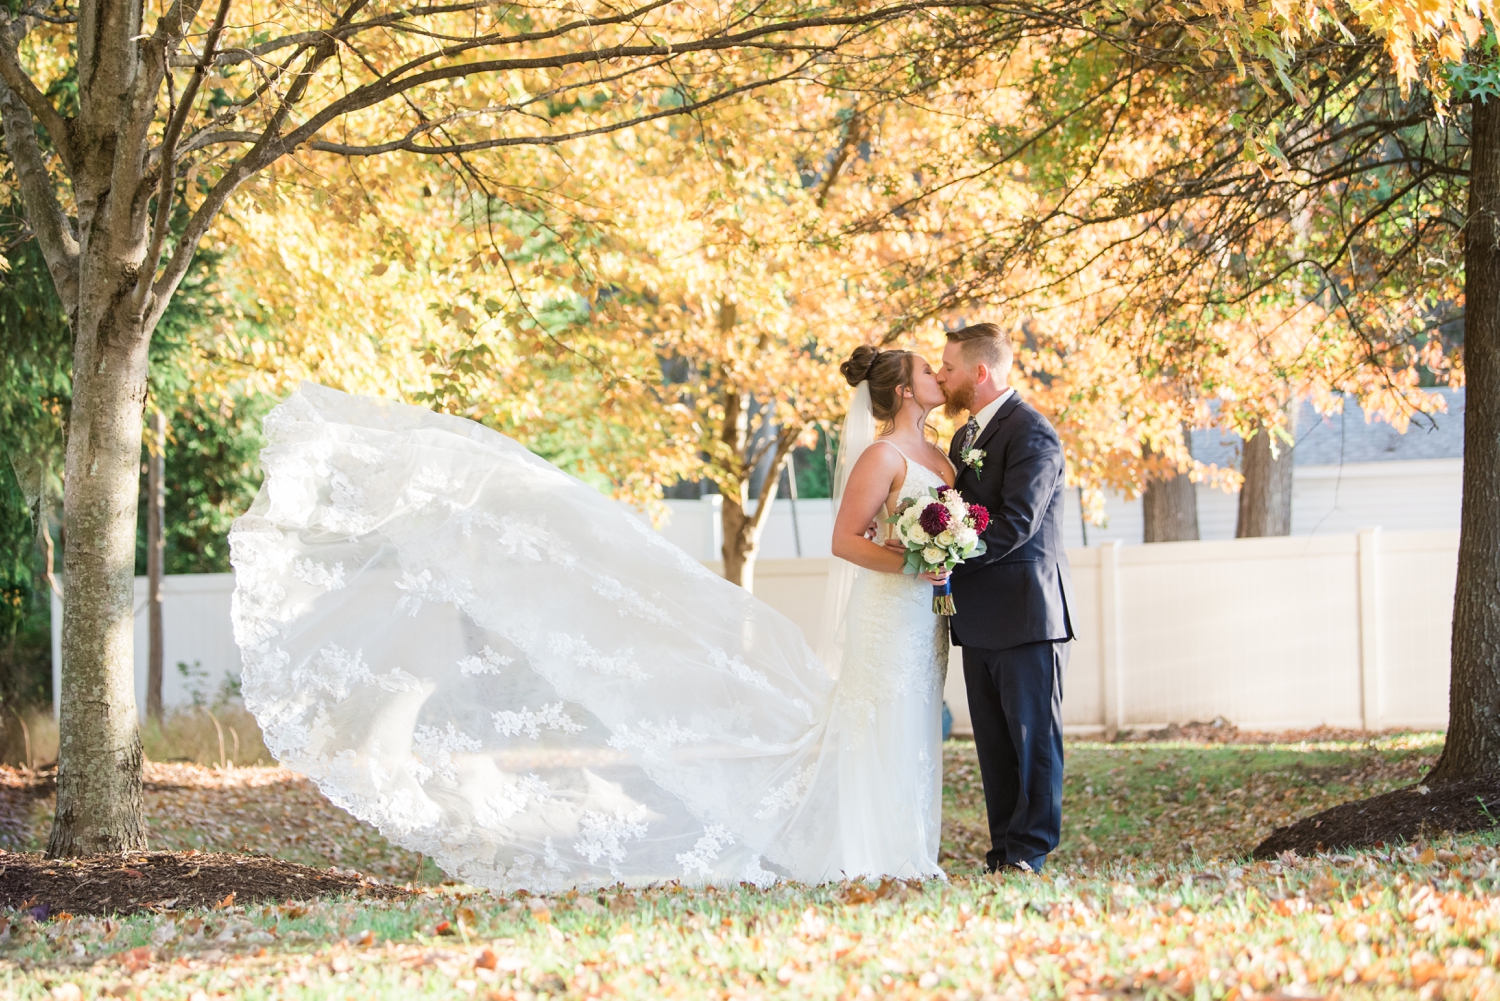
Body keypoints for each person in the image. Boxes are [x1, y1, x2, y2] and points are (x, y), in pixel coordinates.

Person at [229, 346, 955, 892]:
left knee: (908, 719)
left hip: (923, 614)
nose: (937, 378)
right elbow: (846, 540)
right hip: (891, 607)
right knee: (872, 717)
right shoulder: (884, 453)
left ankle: (908, 845)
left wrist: (941, 552)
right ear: (900, 389)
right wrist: (918, 562)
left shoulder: (940, 452)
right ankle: (871, 850)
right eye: (929, 369)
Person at [935, 322, 1075, 874]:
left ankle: (1029, 854)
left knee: (1033, 742)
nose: (942, 377)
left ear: (980, 372)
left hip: (1027, 615)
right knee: (994, 748)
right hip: (979, 619)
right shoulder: (965, 437)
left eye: (948, 368)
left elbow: (1018, 522)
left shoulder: (1032, 434)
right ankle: (1002, 853)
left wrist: (947, 555)